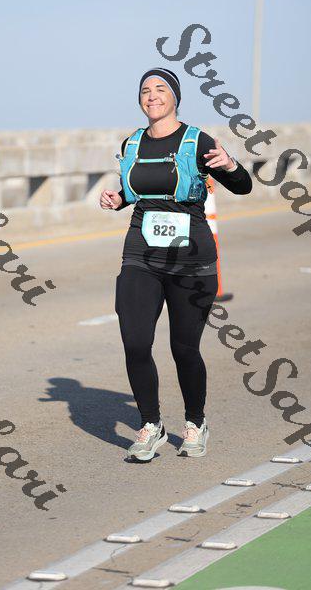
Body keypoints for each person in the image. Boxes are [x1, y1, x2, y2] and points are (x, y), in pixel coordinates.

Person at [100, 67, 252, 462]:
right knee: (135, 343)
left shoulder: (197, 141)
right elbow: (137, 190)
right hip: (141, 255)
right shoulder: (132, 142)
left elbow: (243, 186)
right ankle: (150, 425)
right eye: (145, 90)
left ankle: (195, 422)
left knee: (184, 348)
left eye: (160, 89)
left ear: (175, 97)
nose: (152, 96)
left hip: (191, 261)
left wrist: (229, 165)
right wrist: (119, 199)